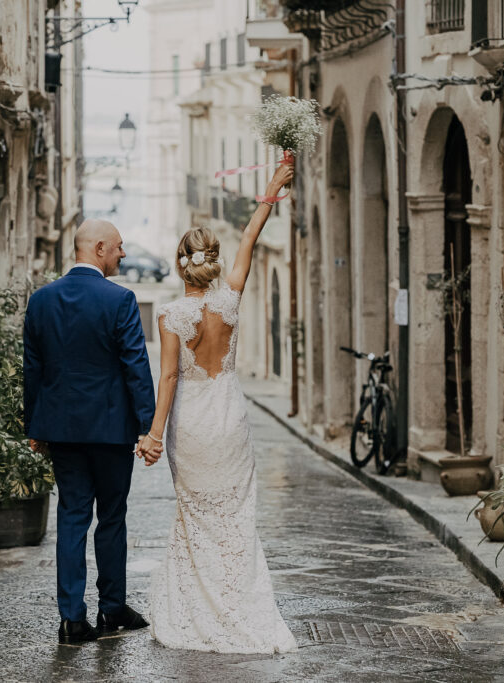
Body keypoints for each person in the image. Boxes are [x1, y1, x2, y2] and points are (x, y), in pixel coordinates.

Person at [140, 160, 298, 654]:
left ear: (179, 263)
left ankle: (199, 611)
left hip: (192, 427)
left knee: (195, 516)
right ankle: (242, 608)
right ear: (212, 261)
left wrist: (154, 435)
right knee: (235, 517)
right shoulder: (230, 301)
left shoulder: (171, 315)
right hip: (230, 421)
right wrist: (273, 186)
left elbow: (169, 378)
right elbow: (250, 236)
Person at [23, 219, 157, 645]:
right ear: (99, 248)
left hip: (61, 429)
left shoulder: (41, 300)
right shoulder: (120, 299)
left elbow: (33, 368)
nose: (123, 254)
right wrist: (148, 427)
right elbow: (136, 365)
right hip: (111, 430)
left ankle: (72, 619)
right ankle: (112, 608)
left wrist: (34, 425)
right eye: (118, 247)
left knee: (71, 516)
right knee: (111, 517)